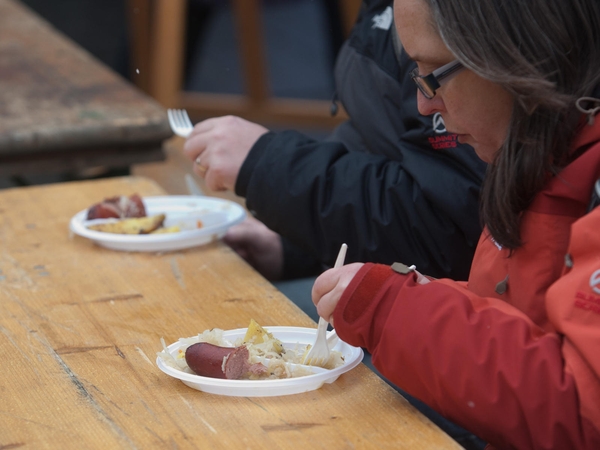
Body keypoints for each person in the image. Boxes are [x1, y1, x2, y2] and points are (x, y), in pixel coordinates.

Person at [311, 0, 600, 448]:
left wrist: (390, 308)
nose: (425, 105)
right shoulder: (532, 149)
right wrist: (415, 296)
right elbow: (519, 320)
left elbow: (582, 412)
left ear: (515, 54)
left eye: (433, 73)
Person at [183, 0, 487, 286]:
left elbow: (450, 235)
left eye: (432, 78)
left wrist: (269, 165)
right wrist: (296, 247)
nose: (424, 104)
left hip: (430, 304)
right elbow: (378, 144)